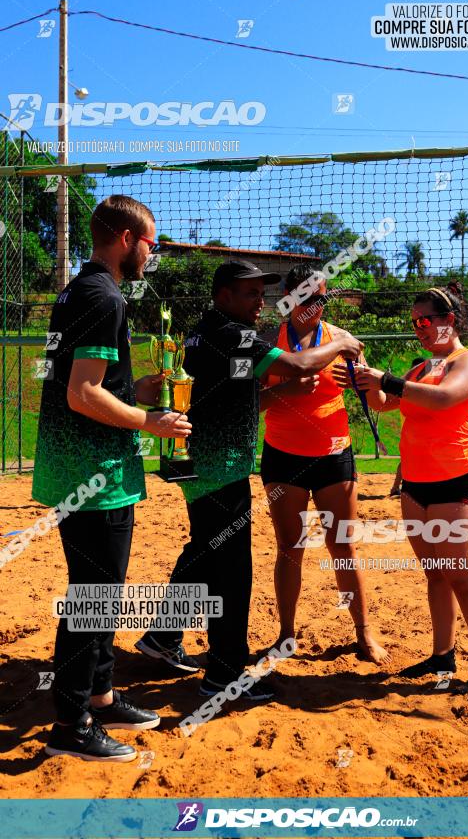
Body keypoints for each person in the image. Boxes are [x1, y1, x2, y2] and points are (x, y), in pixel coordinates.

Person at [135, 260, 364, 701]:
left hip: (203, 461)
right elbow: (298, 364)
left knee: (203, 551)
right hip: (220, 466)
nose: (261, 302)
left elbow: (237, 395)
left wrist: (286, 392)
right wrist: (343, 343)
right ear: (224, 295)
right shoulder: (233, 334)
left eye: (263, 293)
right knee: (232, 573)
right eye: (250, 294)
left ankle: (163, 635)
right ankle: (223, 677)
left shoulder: (202, 333)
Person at [32, 195, 192, 762]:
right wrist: (153, 421)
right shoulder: (104, 297)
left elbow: (85, 383)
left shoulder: (80, 290)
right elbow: (82, 394)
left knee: (101, 591)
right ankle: (72, 724)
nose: (153, 251)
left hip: (82, 466)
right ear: (127, 238)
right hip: (93, 472)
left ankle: (98, 695)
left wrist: (137, 392)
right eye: (151, 241)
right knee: (94, 596)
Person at [334, 284, 468, 694]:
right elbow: (382, 403)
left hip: (456, 482)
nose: (420, 328)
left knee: (463, 577)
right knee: (436, 576)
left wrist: (386, 379)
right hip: (416, 486)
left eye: (426, 321)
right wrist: (364, 374)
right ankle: (442, 655)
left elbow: (444, 399)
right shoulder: (421, 367)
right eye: (415, 323)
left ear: (451, 321)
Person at [259, 265, 390, 664]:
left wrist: (364, 384)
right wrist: (286, 389)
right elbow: (251, 405)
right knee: (289, 548)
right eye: (306, 297)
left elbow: (374, 398)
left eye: (321, 298)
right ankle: (285, 634)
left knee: (344, 547)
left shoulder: (344, 340)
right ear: (288, 296)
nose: (314, 306)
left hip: (334, 454)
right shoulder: (268, 340)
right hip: (283, 456)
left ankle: (364, 633)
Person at [389, 356, 426, 498]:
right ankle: (397, 487)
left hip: (415, 430)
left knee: (409, 460)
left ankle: (397, 487)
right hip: (412, 430)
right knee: (407, 460)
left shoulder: (417, 385)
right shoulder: (410, 386)